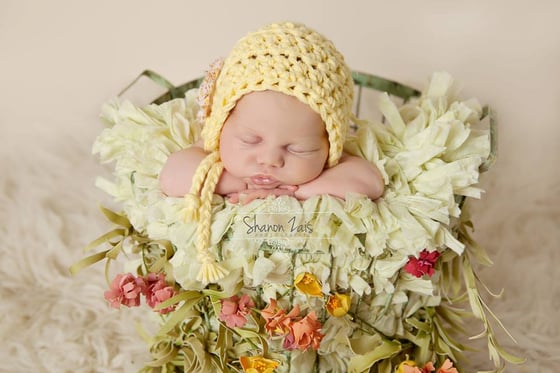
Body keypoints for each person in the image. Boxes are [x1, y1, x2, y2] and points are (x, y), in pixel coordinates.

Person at [158, 22, 385, 283]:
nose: (269, 159)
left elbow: (370, 182)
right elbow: (172, 176)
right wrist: (237, 183)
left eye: (297, 149)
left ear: (330, 144)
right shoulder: (212, 147)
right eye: (250, 140)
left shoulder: (332, 162)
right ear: (220, 126)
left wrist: (298, 191)